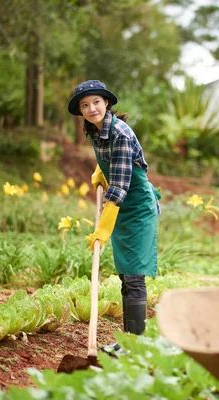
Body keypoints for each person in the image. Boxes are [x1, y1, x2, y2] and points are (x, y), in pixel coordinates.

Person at [67, 80, 161, 347]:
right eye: (85, 105)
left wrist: (104, 227)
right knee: (125, 274)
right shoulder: (97, 131)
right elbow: (113, 164)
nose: (91, 108)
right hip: (122, 206)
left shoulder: (119, 132)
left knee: (134, 274)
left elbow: (120, 186)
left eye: (96, 102)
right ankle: (130, 341)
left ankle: (135, 345)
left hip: (137, 207)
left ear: (106, 103)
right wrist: (100, 170)